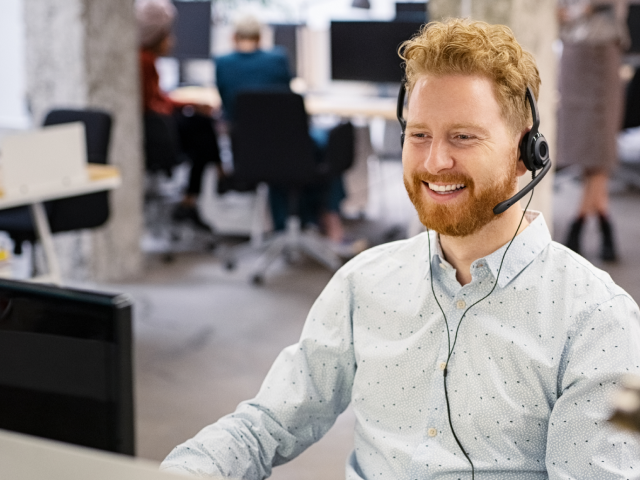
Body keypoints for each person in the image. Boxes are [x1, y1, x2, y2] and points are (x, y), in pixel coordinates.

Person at [161, 19, 640, 479]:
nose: (434, 161)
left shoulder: (596, 321)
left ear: (525, 152)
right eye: (419, 135)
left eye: (463, 137)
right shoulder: (363, 281)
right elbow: (267, 424)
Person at [215, 15, 351, 248]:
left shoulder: (222, 63)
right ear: (260, 38)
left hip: (248, 154)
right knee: (322, 144)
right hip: (288, 148)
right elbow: (283, 104)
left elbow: (228, 109)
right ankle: (328, 217)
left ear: (233, 37)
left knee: (280, 157)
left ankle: (286, 225)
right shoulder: (277, 59)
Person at [137, 0, 224, 230]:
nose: (173, 39)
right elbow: (152, 104)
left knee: (201, 127)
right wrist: (189, 104)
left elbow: (158, 98)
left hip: (159, 127)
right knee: (203, 128)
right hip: (158, 134)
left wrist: (188, 103)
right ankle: (217, 174)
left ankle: (203, 186)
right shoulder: (143, 60)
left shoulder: (147, 60)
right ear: (157, 34)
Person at [557, 0, 629, 261]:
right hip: (573, 56)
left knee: (600, 150)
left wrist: (577, 11)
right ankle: (603, 220)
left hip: (601, 53)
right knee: (585, 149)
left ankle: (578, 223)